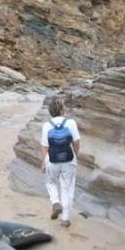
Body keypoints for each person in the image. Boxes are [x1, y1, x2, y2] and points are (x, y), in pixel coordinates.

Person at [40, 97, 80, 228]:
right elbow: (76, 142)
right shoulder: (71, 122)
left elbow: (45, 146)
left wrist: (44, 162)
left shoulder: (47, 125)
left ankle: (55, 202)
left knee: (50, 182)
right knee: (67, 188)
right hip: (69, 159)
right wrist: (75, 155)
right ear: (61, 110)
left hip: (52, 159)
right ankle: (65, 219)